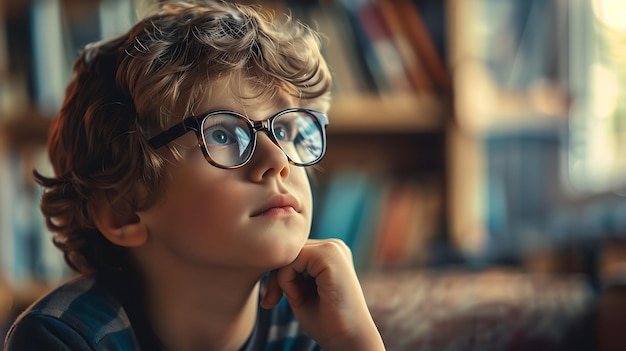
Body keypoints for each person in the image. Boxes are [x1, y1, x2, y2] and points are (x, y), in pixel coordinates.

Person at [3, 1, 386, 350]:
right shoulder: (63, 338)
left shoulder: (316, 322)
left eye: (285, 130)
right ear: (123, 210)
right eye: (222, 133)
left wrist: (353, 341)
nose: (277, 159)